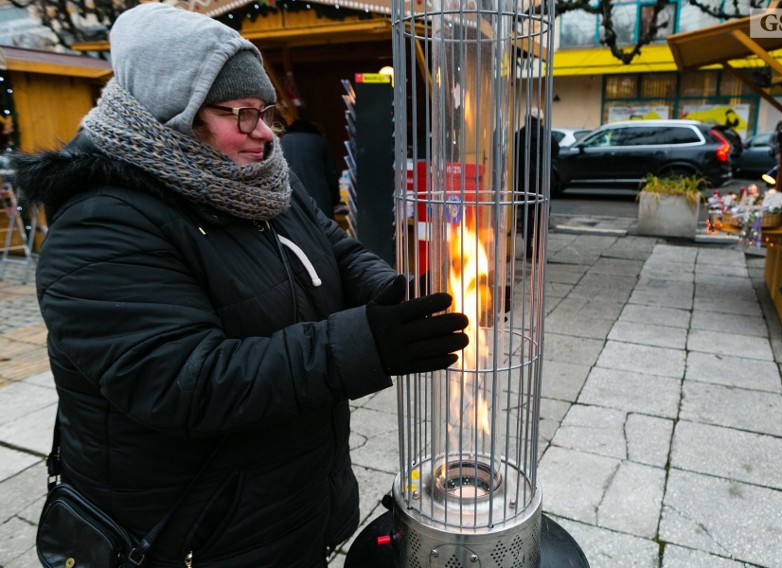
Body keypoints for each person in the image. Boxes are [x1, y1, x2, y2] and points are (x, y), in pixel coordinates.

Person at [13, 4, 468, 567]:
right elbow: (185, 381)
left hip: (282, 502)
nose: (264, 132)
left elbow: (333, 247)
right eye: (241, 114)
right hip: (194, 531)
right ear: (171, 111)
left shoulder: (260, 175)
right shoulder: (101, 225)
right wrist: (363, 345)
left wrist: (390, 294)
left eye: (266, 111)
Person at [279, 111, 341, 219]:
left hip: (288, 201)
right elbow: (331, 173)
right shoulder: (320, 142)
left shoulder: (282, 141)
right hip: (319, 199)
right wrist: (335, 199)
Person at [515, 109, 557, 258]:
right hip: (543, 181)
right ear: (540, 120)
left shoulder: (519, 135)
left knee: (526, 213)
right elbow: (556, 151)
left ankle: (527, 247)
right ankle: (539, 248)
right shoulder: (546, 135)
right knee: (541, 214)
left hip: (524, 181)